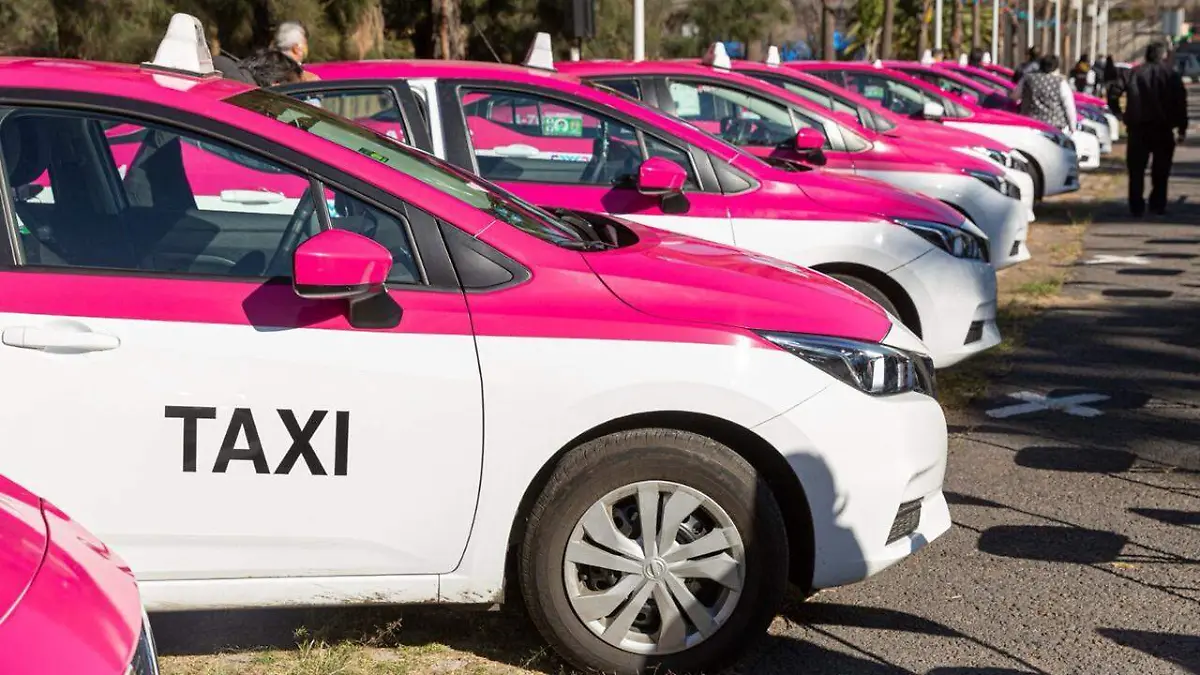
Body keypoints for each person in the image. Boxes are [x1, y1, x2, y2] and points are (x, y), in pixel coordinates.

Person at [1109, 43, 1189, 216]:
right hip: (1164, 128)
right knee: (1161, 170)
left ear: (1146, 55)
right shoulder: (1171, 75)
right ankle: (1157, 204)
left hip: (1138, 128)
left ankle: (1136, 205)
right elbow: (1181, 103)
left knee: (1136, 170)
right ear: (1163, 56)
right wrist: (1182, 128)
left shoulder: (1133, 73)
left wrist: (1119, 113)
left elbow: (1114, 91)